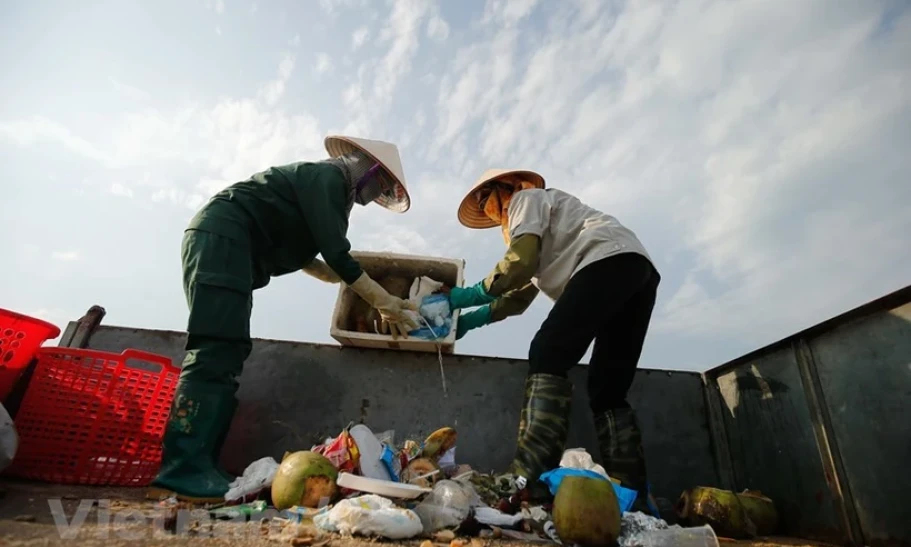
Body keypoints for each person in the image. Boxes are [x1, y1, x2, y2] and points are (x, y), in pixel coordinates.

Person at [149, 136, 419, 502]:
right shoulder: (328, 180)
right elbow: (338, 255)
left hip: (234, 253)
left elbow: (322, 265)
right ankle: (181, 467)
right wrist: (382, 299)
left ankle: (202, 463)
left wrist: (372, 288)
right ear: (366, 169)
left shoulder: (324, 195)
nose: (376, 195)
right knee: (216, 346)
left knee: (231, 350)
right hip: (222, 240)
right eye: (381, 186)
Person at [448, 169, 661, 513]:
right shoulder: (545, 223)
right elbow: (518, 296)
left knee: (547, 352)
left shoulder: (524, 199)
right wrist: (468, 323)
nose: (488, 210)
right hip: (636, 269)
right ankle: (632, 496)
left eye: (485, 201)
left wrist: (467, 295)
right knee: (607, 388)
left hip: (604, 259)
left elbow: (518, 264)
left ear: (502, 189)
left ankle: (527, 480)